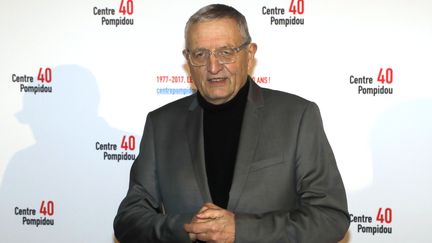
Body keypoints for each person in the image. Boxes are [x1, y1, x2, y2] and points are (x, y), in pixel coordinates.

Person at [114, 4, 349, 243]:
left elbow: (330, 217)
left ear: (249, 54)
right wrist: (188, 227)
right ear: (187, 59)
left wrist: (240, 230)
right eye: (200, 54)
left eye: (226, 52)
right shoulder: (161, 124)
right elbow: (128, 219)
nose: (213, 67)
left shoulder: (297, 116)